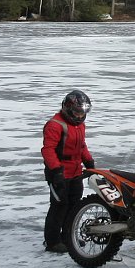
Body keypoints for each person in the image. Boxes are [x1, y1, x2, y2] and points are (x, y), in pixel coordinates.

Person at [41, 90, 96, 253]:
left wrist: (89, 162)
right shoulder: (55, 125)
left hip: (75, 171)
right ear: (67, 108)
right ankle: (52, 242)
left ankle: (68, 237)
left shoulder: (79, 125)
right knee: (59, 206)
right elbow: (48, 150)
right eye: (77, 113)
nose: (80, 116)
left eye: (83, 113)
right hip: (59, 172)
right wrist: (56, 171)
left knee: (74, 206)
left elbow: (81, 146)